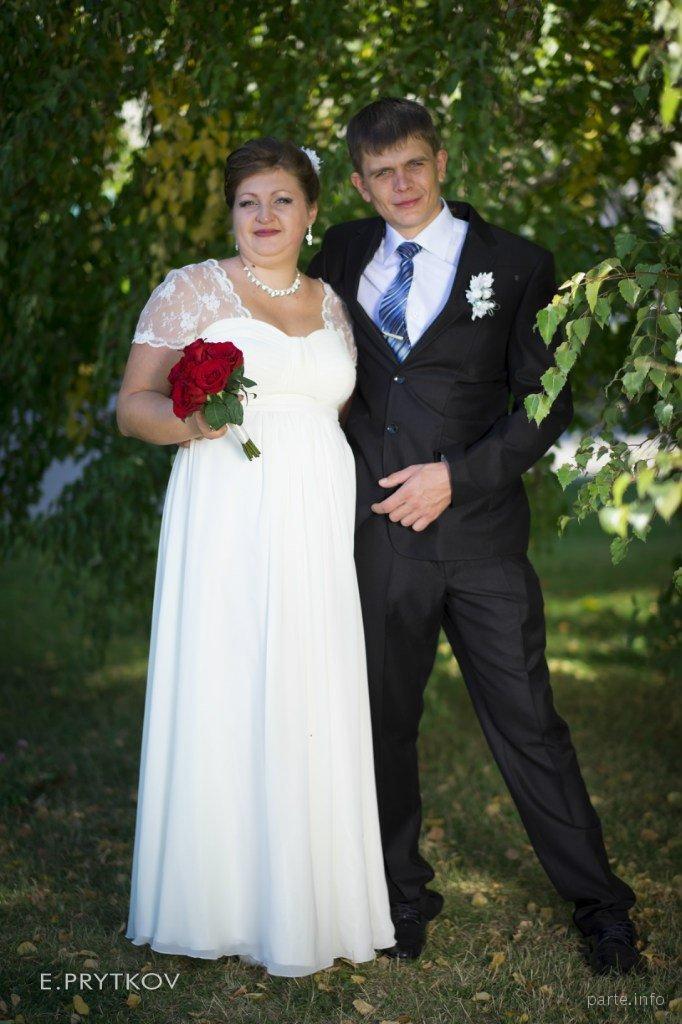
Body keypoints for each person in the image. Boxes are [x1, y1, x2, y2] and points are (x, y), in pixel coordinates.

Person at [307, 97, 641, 975]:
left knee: (530, 723)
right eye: (382, 174)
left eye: (414, 165)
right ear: (359, 184)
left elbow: (546, 402)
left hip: (483, 537)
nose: (402, 185)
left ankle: (603, 908)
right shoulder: (340, 252)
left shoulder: (518, 263)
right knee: (382, 725)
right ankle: (400, 896)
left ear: (441, 162)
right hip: (381, 538)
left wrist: (457, 477)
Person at [116, 137, 395, 977]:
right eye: (249, 201)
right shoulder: (192, 289)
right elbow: (133, 406)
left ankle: (308, 904)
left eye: (282, 200)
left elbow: (333, 414)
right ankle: (217, 903)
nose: (265, 216)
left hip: (316, 522)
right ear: (231, 212)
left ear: (311, 213)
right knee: (228, 681)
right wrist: (192, 421)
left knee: (308, 686)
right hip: (227, 511)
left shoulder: (334, 304)